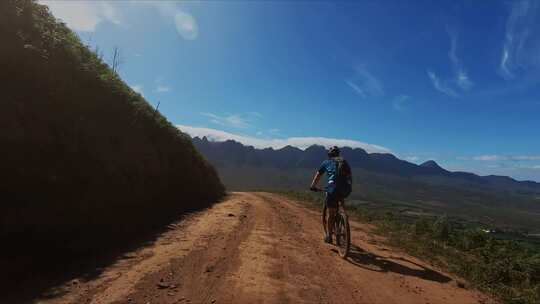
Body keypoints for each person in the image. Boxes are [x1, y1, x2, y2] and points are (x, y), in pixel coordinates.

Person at [310, 146, 352, 244]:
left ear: (329, 154)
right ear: (338, 154)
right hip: (346, 188)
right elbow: (350, 177)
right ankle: (345, 217)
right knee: (340, 197)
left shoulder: (326, 162)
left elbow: (318, 176)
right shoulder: (344, 162)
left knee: (331, 214)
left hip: (332, 188)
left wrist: (313, 186)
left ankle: (329, 236)